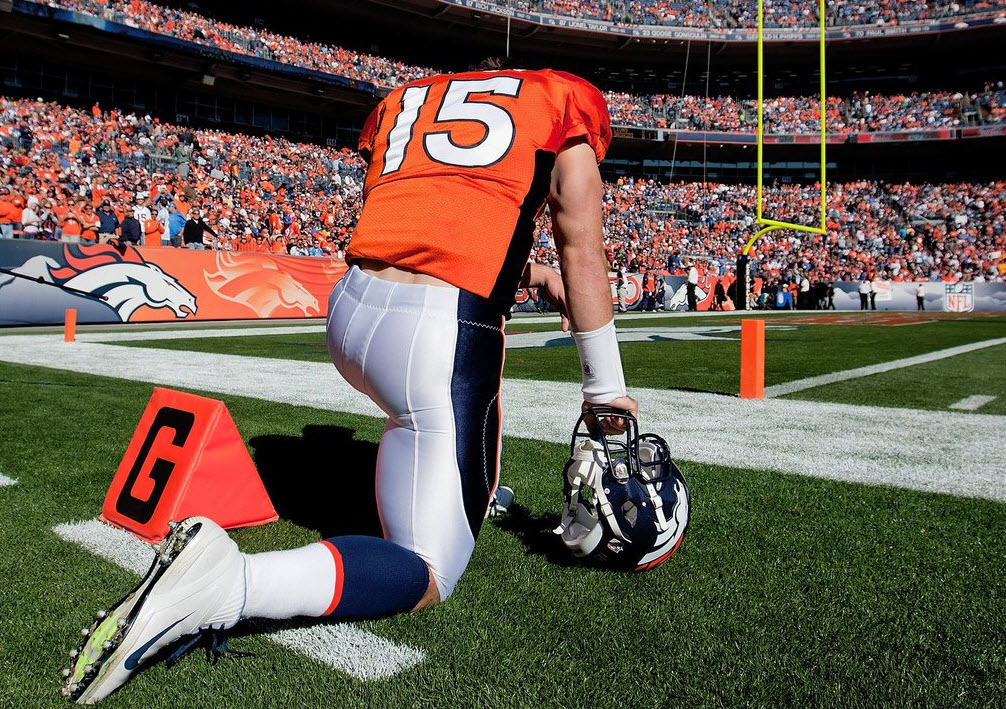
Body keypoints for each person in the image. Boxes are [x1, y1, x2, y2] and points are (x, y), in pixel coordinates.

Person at [64, 64, 639, 704]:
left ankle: (454, 480)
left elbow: (430, 221)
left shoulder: (408, 98)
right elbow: (580, 243)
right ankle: (228, 585)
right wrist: (606, 395)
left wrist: (526, 273)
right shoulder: (564, 98)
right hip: (429, 337)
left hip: (351, 312)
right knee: (429, 569)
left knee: (435, 434)